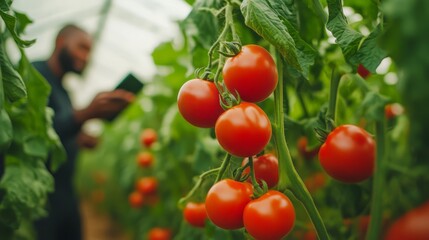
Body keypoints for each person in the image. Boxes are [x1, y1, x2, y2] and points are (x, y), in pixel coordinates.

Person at [32, 24, 135, 240]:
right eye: (81, 47)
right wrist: (85, 114)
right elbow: (32, 134)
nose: (86, 56)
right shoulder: (34, 76)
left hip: (66, 192)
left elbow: (57, 133)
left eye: (89, 51)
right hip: (38, 196)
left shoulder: (63, 92)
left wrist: (80, 139)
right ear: (61, 42)